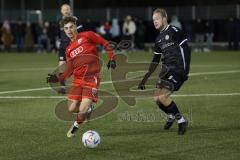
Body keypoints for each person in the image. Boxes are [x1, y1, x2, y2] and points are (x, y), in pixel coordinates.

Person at [47, 16, 116, 138]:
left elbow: (105, 43)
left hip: (92, 78)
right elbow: (69, 70)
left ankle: (75, 126)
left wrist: (112, 57)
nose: (69, 30)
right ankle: (89, 110)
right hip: (78, 80)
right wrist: (57, 79)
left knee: (82, 109)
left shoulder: (87, 35)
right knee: (72, 108)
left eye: (71, 27)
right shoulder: (68, 50)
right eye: (66, 28)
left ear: (75, 26)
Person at [138, 8, 191, 135]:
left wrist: (185, 71)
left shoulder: (175, 31)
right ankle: (172, 116)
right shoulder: (159, 39)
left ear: (164, 18)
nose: (154, 22)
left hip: (178, 69)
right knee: (157, 98)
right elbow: (155, 61)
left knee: (162, 96)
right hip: (167, 70)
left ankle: (181, 120)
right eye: (153, 20)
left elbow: (186, 51)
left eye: (157, 19)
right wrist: (145, 78)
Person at [57, 3, 84, 94]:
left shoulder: (75, 20)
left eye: (67, 9)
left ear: (70, 10)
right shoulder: (59, 21)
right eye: (64, 9)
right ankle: (63, 88)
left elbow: (81, 32)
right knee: (61, 67)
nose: (66, 11)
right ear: (61, 11)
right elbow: (59, 34)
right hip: (63, 47)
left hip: (73, 47)